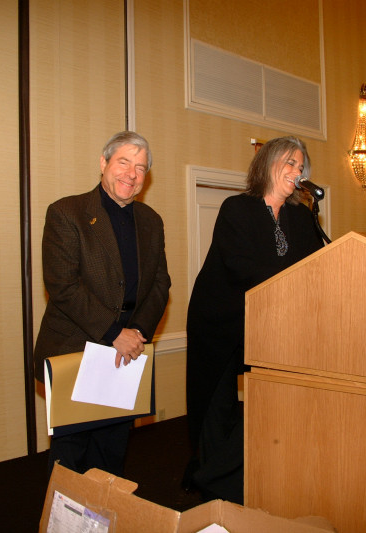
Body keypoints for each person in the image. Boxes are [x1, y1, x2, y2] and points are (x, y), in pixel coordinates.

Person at [184, 136, 324, 503]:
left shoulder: (300, 216)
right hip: (220, 318)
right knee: (219, 406)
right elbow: (241, 266)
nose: (296, 171)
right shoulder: (237, 208)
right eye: (289, 163)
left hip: (272, 322)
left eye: (300, 166)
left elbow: (318, 265)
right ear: (266, 165)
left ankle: (240, 475)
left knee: (274, 402)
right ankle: (211, 480)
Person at [34, 131, 171, 476]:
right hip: (77, 351)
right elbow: (62, 286)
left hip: (125, 355)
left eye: (140, 168)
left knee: (111, 453)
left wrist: (136, 332)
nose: (131, 174)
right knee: (71, 459)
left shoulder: (151, 221)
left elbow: (159, 284)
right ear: (103, 164)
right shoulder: (68, 212)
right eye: (123, 162)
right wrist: (114, 332)